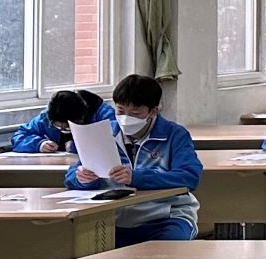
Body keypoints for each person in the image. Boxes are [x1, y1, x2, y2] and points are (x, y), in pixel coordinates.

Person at [66, 74, 202, 245]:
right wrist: (82, 178)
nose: (126, 118)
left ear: (153, 111)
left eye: (135, 113)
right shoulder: (103, 134)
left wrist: (137, 177)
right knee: (85, 248)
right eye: (120, 110)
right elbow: (71, 177)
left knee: (166, 252)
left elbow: (190, 177)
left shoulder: (174, 135)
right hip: (114, 219)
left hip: (165, 216)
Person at [11, 88, 111, 154]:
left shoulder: (102, 114)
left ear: (81, 117)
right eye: (58, 127)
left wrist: (77, 146)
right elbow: (19, 137)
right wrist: (39, 144)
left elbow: (112, 140)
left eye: (68, 127)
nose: (63, 130)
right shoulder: (46, 118)